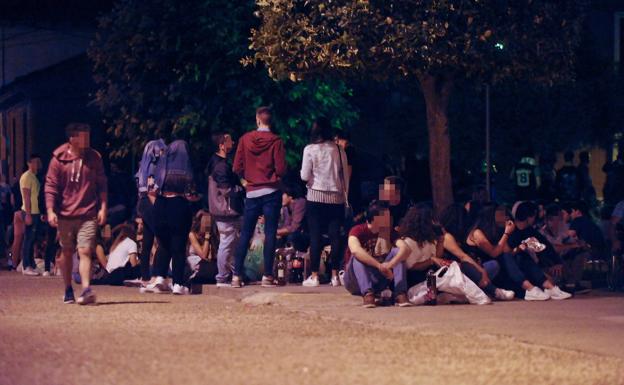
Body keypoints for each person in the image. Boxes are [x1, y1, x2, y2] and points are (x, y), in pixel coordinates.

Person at [45, 123, 108, 305]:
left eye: (88, 135)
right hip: (65, 214)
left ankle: (86, 289)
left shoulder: (94, 158)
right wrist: (50, 210)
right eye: (83, 136)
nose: (87, 139)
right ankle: (67, 288)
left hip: (88, 212)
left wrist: (103, 207)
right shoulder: (58, 159)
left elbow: (102, 184)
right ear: (72, 138)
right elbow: (50, 186)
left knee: (85, 250)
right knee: (66, 252)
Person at [231, 106, 287, 288]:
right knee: (270, 233)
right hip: (271, 191)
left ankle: (236, 275)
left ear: (257, 119)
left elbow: (236, 167)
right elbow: (281, 169)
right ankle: (267, 276)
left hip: (252, 191)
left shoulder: (245, 139)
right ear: (271, 120)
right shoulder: (276, 141)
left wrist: (246, 182)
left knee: (246, 232)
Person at [300, 117, 349, 287]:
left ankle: (314, 276)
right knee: (335, 236)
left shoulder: (310, 150)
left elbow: (304, 176)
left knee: (315, 236)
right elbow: (345, 176)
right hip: (336, 198)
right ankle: (335, 275)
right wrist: (345, 196)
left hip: (315, 197)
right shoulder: (338, 149)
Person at [143, 139, 195, 295]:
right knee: (178, 246)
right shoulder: (186, 168)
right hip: (178, 204)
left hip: (160, 204)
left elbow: (152, 187)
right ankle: (178, 283)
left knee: (163, 244)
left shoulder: (162, 163)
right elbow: (191, 193)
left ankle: (160, 277)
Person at [439, 203, 515, 301]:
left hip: (464, 272)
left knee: (492, 264)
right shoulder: (447, 237)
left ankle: (483, 291)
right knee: (470, 266)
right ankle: (494, 291)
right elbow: (463, 257)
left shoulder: (457, 236)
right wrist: (481, 270)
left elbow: (506, 251)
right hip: (453, 273)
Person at [343, 201, 409, 308]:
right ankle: (367, 293)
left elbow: (405, 249)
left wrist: (390, 264)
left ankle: (400, 293)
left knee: (398, 252)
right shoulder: (357, 230)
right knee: (358, 256)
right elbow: (355, 250)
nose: (389, 219)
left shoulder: (389, 231)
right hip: (354, 280)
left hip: (378, 277)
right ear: (375, 218)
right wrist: (379, 265)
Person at [506, 202, 572, 300]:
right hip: (510, 267)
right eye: (534, 215)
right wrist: (521, 247)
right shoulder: (510, 227)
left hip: (528, 267)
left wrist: (556, 263)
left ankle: (550, 288)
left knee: (550, 275)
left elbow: (545, 246)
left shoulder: (528, 230)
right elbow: (506, 253)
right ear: (529, 217)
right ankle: (537, 288)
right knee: (522, 256)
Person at [207, 132, 242, 287]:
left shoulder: (216, 163)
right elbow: (226, 189)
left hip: (220, 210)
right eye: (229, 141)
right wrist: (242, 188)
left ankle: (234, 274)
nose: (232, 142)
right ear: (221, 145)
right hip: (225, 210)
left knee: (230, 243)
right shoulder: (221, 166)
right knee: (227, 243)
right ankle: (222, 277)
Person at [135, 139, 167, 292]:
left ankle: (144, 277)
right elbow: (151, 189)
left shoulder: (143, 166)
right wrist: (158, 208)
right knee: (162, 238)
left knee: (147, 242)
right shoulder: (154, 167)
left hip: (142, 202)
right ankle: (156, 275)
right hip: (151, 202)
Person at [540, 204, 590, 294]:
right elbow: (551, 249)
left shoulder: (562, 231)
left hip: (561, 262)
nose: (561, 220)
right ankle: (568, 283)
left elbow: (574, 242)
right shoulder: (542, 233)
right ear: (548, 219)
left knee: (580, 252)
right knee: (558, 257)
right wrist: (571, 246)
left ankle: (572, 283)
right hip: (548, 264)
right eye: (559, 218)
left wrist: (580, 244)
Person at [19, 154, 43, 276]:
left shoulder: (34, 177)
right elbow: (26, 196)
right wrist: (28, 214)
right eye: (33, 162)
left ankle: (31, 264)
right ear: (28, 163)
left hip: (36, 211)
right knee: (28, 239)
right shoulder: (27, 177)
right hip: (30, 211)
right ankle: (26, 265)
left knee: (32, 239)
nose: (36, 165)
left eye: (37, 162)